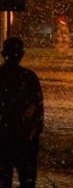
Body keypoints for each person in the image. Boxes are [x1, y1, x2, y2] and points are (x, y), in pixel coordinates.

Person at [0, 37, 44, 188]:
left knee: (3, 179)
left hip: (3, 139)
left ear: (3, 53)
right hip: (25, 140)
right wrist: (31, 134)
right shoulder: (29, 77)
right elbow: (37, 110)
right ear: (22, 54)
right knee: (27, 180)